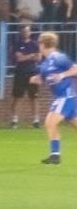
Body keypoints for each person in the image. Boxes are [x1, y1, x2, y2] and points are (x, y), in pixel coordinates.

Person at [36, 31, 77, 165]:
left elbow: (75, 69)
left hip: (66, 96)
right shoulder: (45, 63)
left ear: (43, 44)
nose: (39, 46)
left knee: (50, 123)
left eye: (39, 43)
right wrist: (34, 79)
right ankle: (55, 155)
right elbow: (43, 78)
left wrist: (63, 75)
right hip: (62, 97)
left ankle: (55, 156)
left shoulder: (58, 57)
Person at [9, 22, 42, 128]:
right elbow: (19, 58)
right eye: (24, 31)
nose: (26, 33)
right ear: (21, 33)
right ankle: (14, 120)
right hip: (20, 73)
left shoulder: (35, 44)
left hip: (33, 73)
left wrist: (27, 56)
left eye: (28, 31)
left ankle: (36, 120)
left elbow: (38, 58)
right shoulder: (17, 44)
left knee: (34, 97)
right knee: (17, 97)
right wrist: (31, 55)